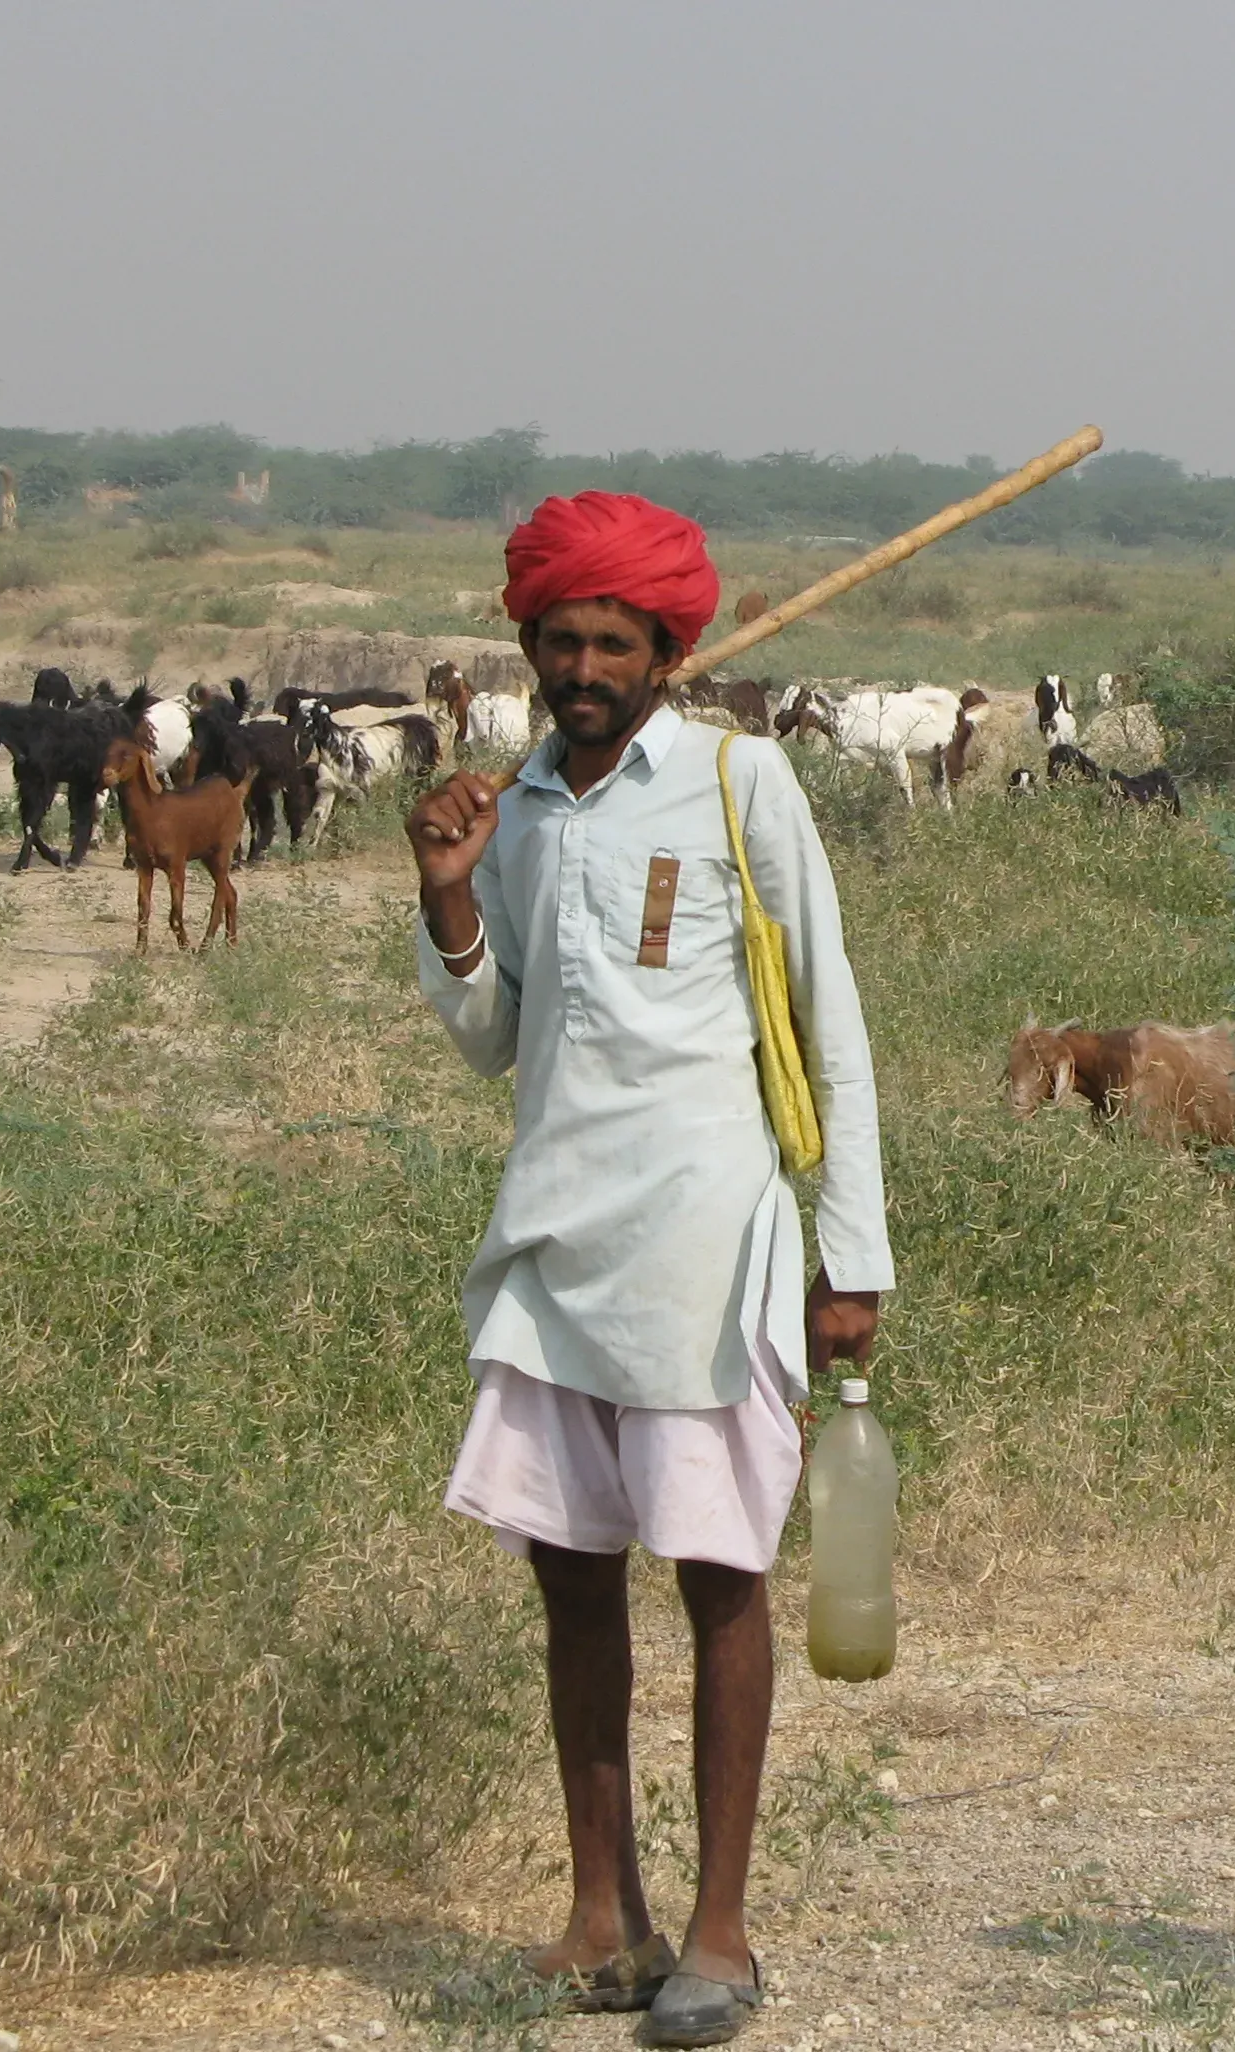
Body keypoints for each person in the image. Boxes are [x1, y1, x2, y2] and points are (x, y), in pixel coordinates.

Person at [408, 491, 892, 2048]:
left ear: (670, 650)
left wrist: (850, 1260)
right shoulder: (525, 811)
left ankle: (723, 1934)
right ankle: (600, 1915)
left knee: (719, 1579)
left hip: (707, 1242)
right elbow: (497, 1042)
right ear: (528, 647)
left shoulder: (745, 789)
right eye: (561, 638)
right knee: (570, 1583)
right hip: (555, 1243)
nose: (584, 663)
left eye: (615, 639)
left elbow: (832, 1027)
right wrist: (446, 899)